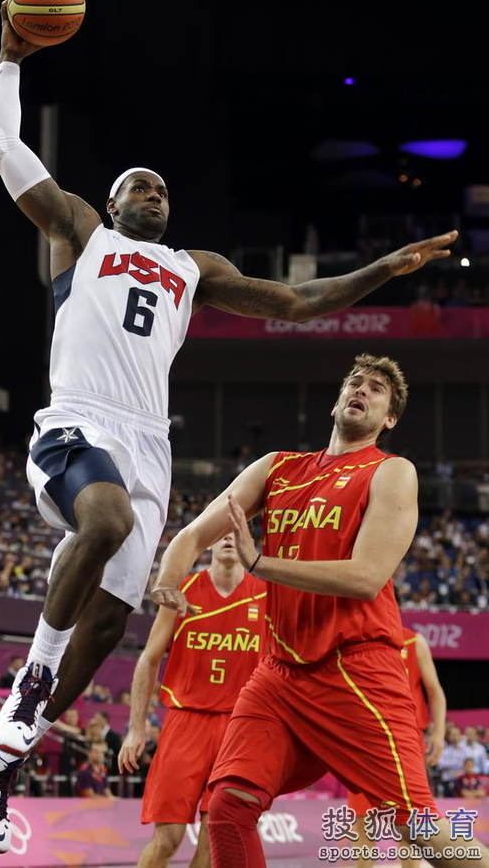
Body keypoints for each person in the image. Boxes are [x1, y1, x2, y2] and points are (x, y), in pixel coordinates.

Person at [0, 0, 456, 856]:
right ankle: (26, 694)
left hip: (151, 444)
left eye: (164, 188)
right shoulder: (80, 232)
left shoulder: (194, 267)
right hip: (77, 422)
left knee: (113, 623)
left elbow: (299, 302)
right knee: (101, 522)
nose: (156, 193)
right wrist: (10, 60)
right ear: (112, 202)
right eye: (140, 185)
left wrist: (384, 269)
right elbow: (3, 147)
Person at [151, 354, 489, 868]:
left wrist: (261, 564)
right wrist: (168, 578)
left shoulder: (391, 472)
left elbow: (365, 577)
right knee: (226, 809)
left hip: (355, 669)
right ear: (337, 401)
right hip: (279, 674)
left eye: (377, 389)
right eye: (356, 382)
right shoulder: (278, 468)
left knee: (419, 829)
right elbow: (196, 533)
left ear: (389, 418)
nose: (363, 389)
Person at [118, 534, 266, 868]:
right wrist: (135, 729)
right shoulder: (182, 591)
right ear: (209, 543)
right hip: (186, 722)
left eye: (236, 533)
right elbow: (148, 659)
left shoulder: (267, 594)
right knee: (168, 839)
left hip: (238, 729)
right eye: (221, 533)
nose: (228, 538)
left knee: (215, 837)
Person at [349, 626, 447, 868]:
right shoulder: (354, 635)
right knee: (363, 824)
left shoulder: (414, 641)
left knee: (410, 826)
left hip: (406, 740)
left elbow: (435, 692)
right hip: (365, 741)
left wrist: (439, 733)